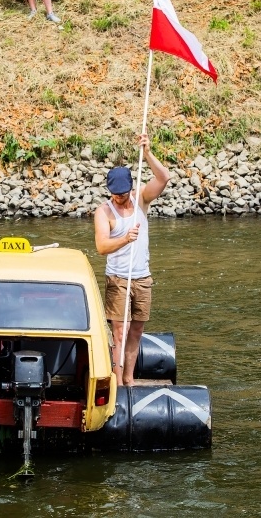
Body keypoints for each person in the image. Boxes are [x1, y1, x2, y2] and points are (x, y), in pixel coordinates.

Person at [94, 133, 170, 386]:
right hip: (118, 278)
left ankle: (129, 378)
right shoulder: (104, 212)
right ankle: (116, 381)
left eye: (123, 194)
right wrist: (125, 239)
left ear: (130, 188)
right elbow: (102, 247)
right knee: (120, 331)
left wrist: (147, 152)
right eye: (115, 194)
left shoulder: (140, 200)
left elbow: (164, 178)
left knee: (137, 330)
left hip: (142, 277)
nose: (119, 198)